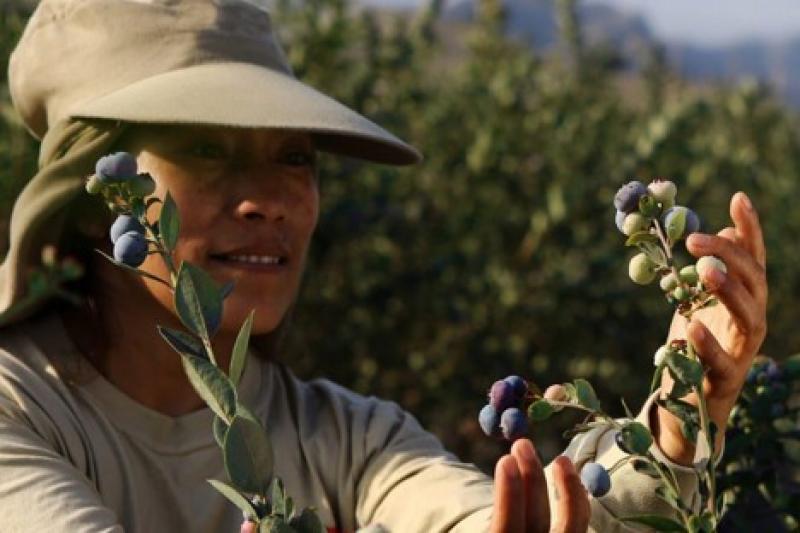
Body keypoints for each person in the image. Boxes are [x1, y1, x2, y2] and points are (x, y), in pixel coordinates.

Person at [0, 0, 767, 532]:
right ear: (92, 194)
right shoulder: (18, 410)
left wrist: (676, 421)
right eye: (206, 148)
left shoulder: (341, 435)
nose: (270, 198)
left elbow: (509, 517)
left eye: (293, 155)